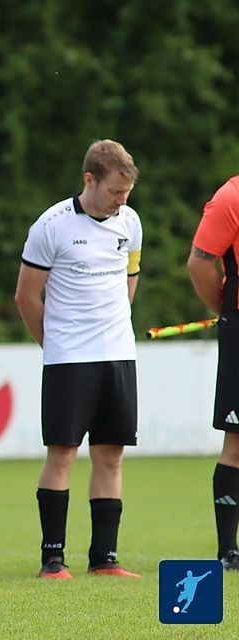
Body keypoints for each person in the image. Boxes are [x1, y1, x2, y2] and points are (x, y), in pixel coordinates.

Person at [15, 139, 142, 579]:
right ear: (89, 180)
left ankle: (104, 559)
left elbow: (131, 277)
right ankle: (53, 559)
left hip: (118, 356)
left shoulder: (130, 222)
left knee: (111, 455)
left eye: (126, 194)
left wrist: (116, 324)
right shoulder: (51, 225)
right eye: (114, 192)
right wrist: (55, 346)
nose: (121, 202)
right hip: (69, 359)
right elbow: (27, 297)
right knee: (63, 455)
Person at [187, 173, 239, 571]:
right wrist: (224, 308)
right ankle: (229, 552)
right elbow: (201, 262)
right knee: (237, 444)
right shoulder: (230, 197)